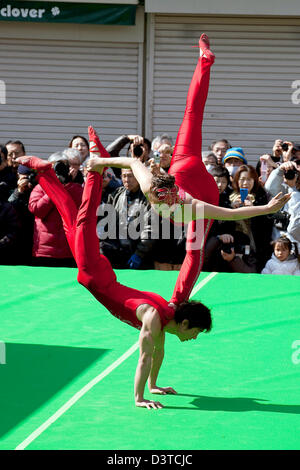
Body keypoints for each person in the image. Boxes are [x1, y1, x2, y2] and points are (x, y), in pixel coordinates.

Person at [87, 34, 290, 304]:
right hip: (186, 166)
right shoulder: (158, 189)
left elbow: (233, 213)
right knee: (192, 112)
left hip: (197, 183)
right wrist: (99, 161)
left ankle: (178, 300)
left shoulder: (183, 202)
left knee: (194, 253)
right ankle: (203, 61)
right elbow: (133, 162)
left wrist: (267, 209)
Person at [16, 152, 212, 410]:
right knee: (83, 219)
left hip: (102, 274)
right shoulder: (156, 317)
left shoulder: (168, 316)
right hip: (93, 274)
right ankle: (93, 171)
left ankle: (47, 173)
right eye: (196, 332)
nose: (194, 338)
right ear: (185, 323)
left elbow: (158, 353)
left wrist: (154, 385)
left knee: (68, 217)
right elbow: (144, 357)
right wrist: (140, 397)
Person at [28, 159, 83, 267]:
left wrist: (68, 184)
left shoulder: (76, 189)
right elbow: (37, 210)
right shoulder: (40, 188)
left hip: (69, 251)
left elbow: (82, 210)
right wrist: (53, 189)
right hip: (45, 251)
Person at [98, 168, 155, 270]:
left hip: (140, 253)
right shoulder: (117, 194)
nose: (127, 179)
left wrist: (139, 253)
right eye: (124, 176)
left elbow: (149, 229)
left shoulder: (147, 197)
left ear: (138, 177)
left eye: (130, 176)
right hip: (119, 249)